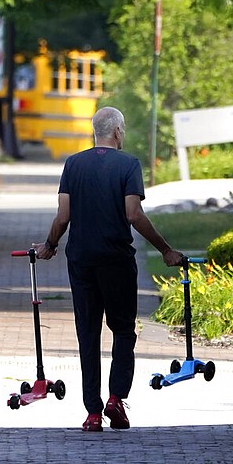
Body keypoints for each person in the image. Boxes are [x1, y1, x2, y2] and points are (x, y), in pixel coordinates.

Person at [35, 106, 184, 432]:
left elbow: (63, 216)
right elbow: (133, 214)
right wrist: (165, 249)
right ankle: (117, 398)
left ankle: (92, 413)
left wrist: (49, 245)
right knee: (123, 330)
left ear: (95, 131)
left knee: (87, 334)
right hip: (116, 260)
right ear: (117, 131)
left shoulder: (73, 164)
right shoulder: (128, 164)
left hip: (82, 260)